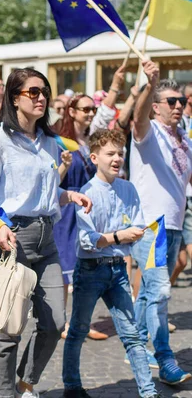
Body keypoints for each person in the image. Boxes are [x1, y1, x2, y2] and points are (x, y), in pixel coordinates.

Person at [0, 68, 92, 398]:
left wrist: (70, 196)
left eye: (44, 92)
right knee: (8, 330)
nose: (41, 98)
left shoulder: (50, 143)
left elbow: (46, 195)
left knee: (54, 322)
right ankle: (5, 394)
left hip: (47, 237)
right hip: (12, 239)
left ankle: (26, 382)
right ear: (14, 98)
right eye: (33, 92)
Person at [63, 128, 159, 398]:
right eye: (110, 154)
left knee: (131, 334)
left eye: (120, 153)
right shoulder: (86, 191)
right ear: (94, 157)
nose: (117, 158)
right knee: (79, 330)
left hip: (117, 269)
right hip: (90, 270)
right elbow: (85, 240)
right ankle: (72, 386)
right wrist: (118, 236)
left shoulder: (128, 189)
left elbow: (137, 225)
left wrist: (132, 242)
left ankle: (148, 391)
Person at [129, 61, 192, 385]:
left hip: (175, 225)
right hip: (152, 226)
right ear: (156, 106)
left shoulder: (185, 137)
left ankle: (137, 344)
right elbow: (137, 118)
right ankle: (165, 359)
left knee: (149, 294)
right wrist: (149, 84)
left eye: (181, 101)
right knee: (160, 292)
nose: (179, 105)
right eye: (172, 101)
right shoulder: (149, 131)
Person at [55, 94, 110, 342]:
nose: (90, 113)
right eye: (86, 108)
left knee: (85, 271)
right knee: (68, 272)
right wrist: (65, 165)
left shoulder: (89, 141)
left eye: (93, 108)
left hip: (87, 210)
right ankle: (64, 323)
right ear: (72, 111)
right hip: (67, 211)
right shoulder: (58, 141)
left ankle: (81, 322)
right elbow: (52, 182)